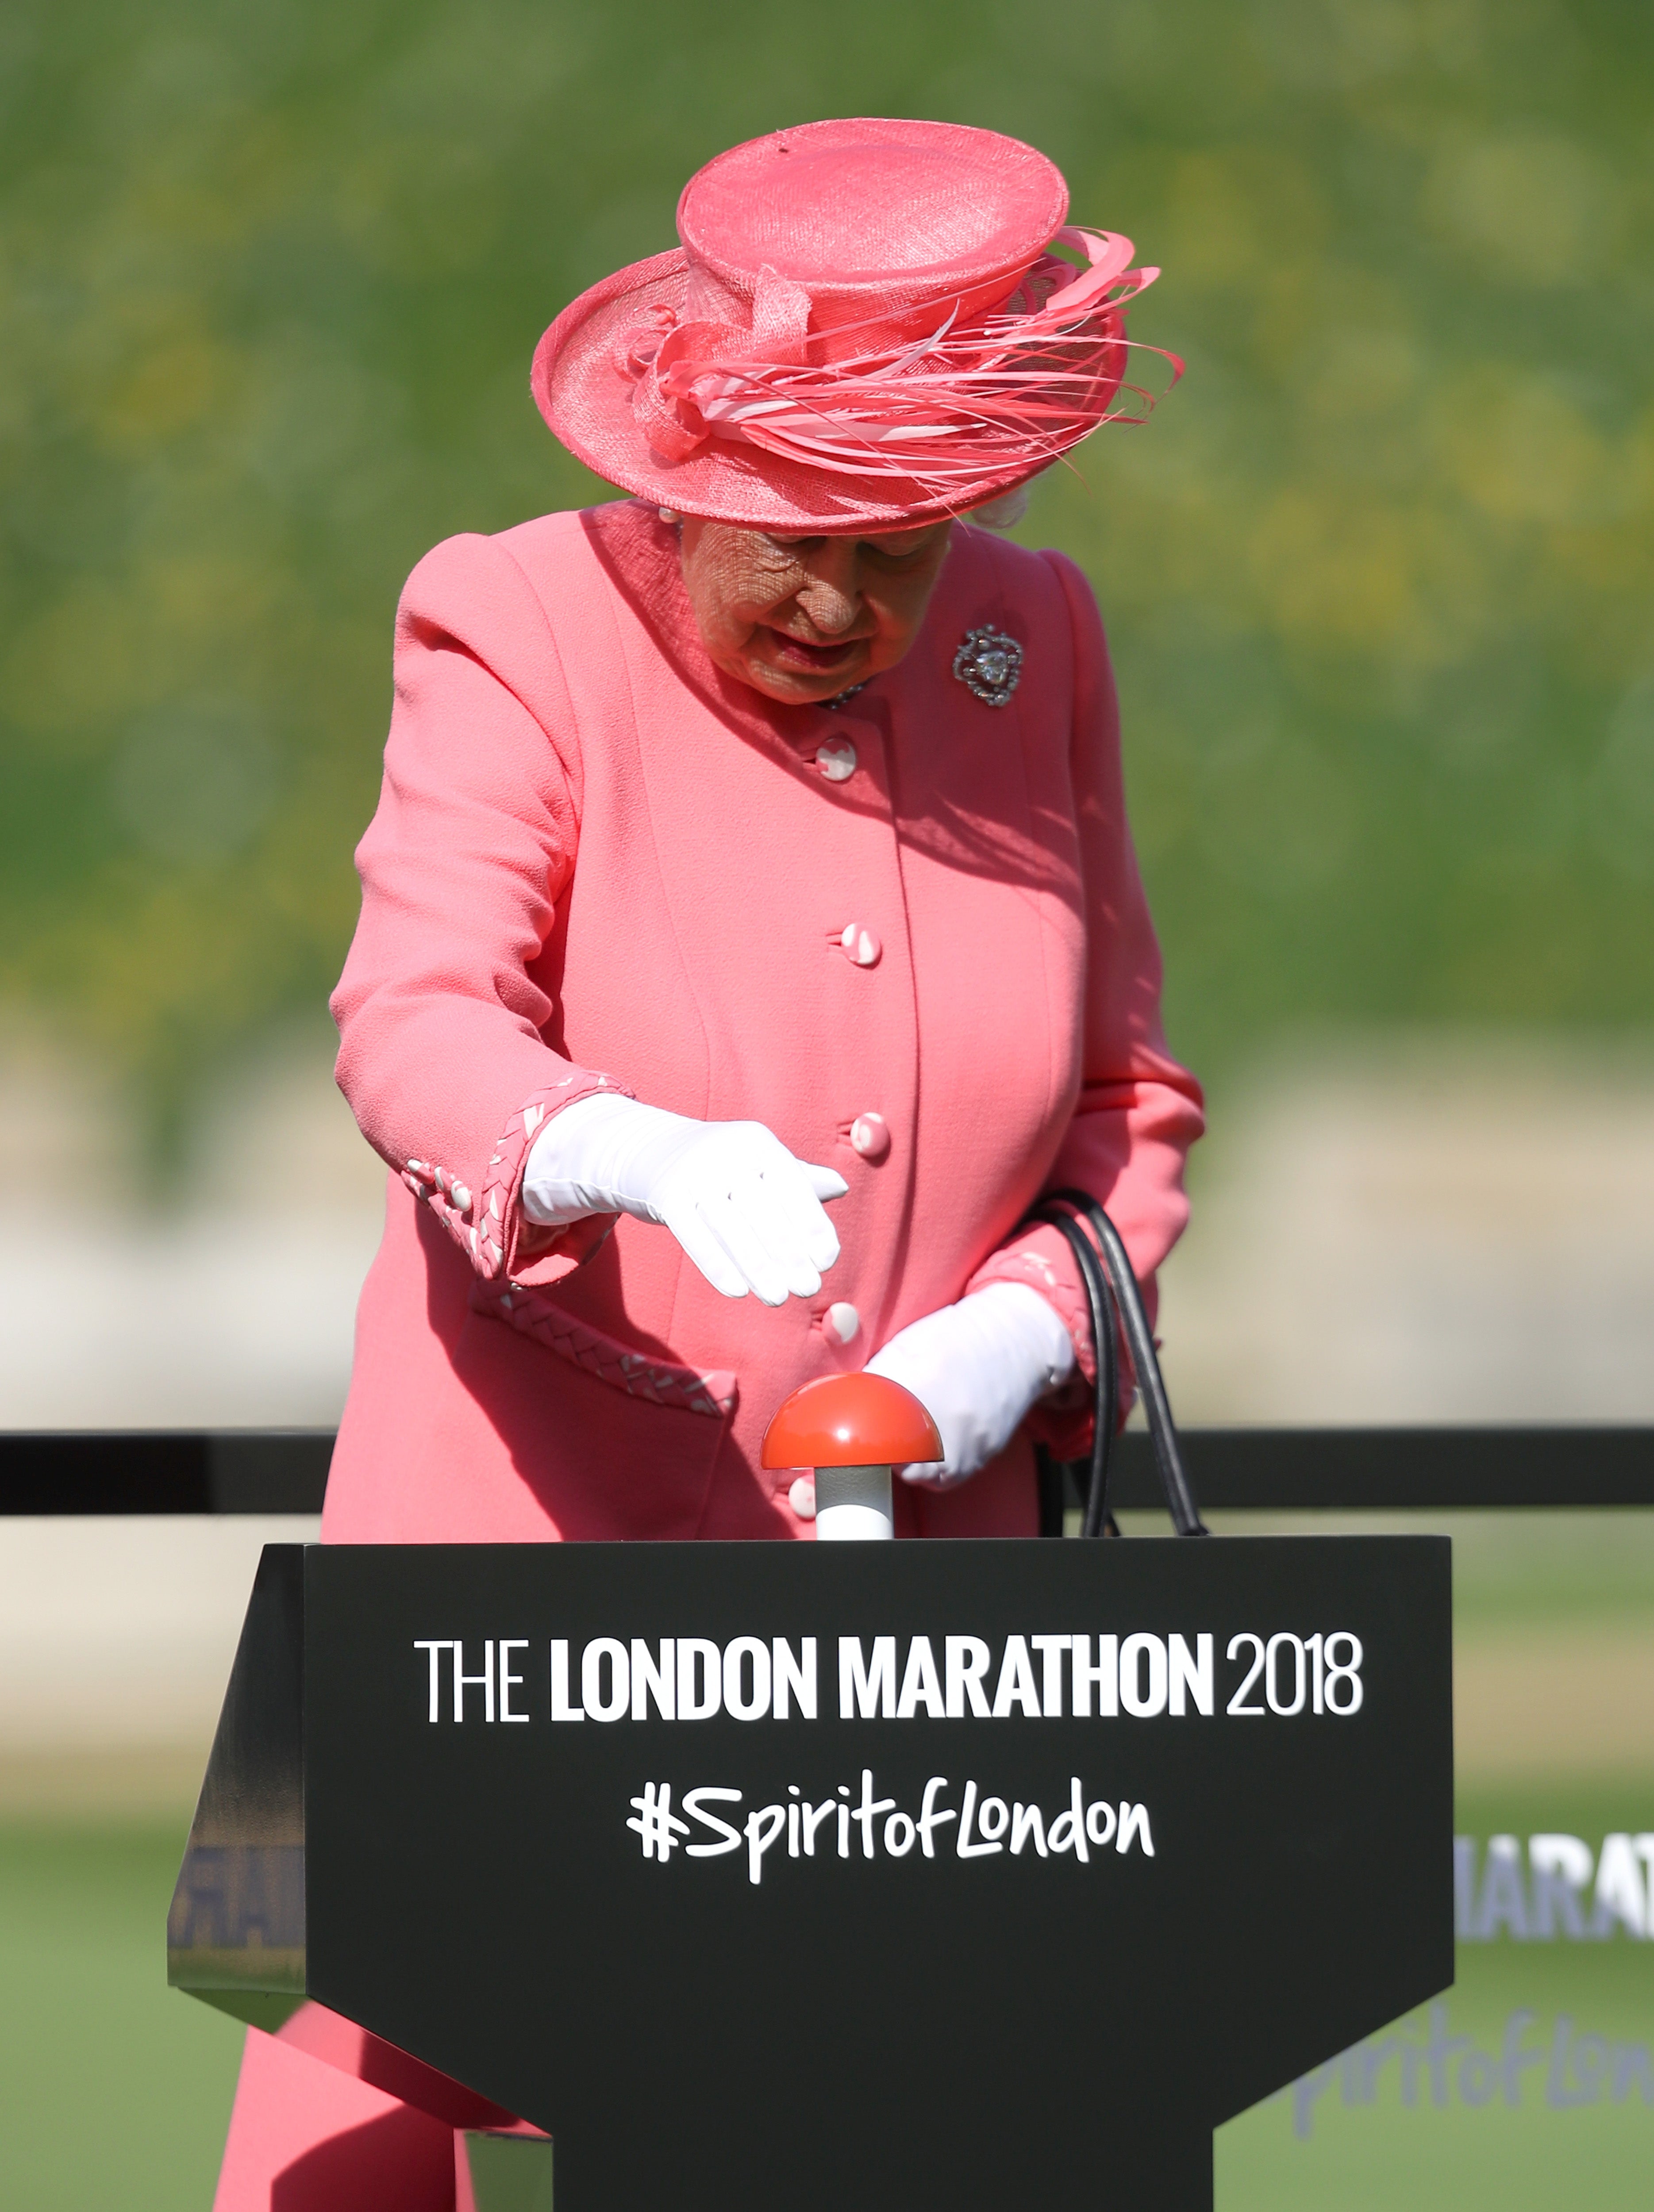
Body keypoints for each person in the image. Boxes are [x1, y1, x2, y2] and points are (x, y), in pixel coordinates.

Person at [212, 115, 1204, 2211]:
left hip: (907, 1640)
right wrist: (604, 1143)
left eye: (905, 541)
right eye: (797, 535)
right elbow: (413, 1013)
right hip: (504, 1598)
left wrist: (1008, 1351)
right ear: (678, 475)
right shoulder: (512, 615)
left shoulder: (1041, 640)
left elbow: (1127, 1108)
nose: (849, 601)